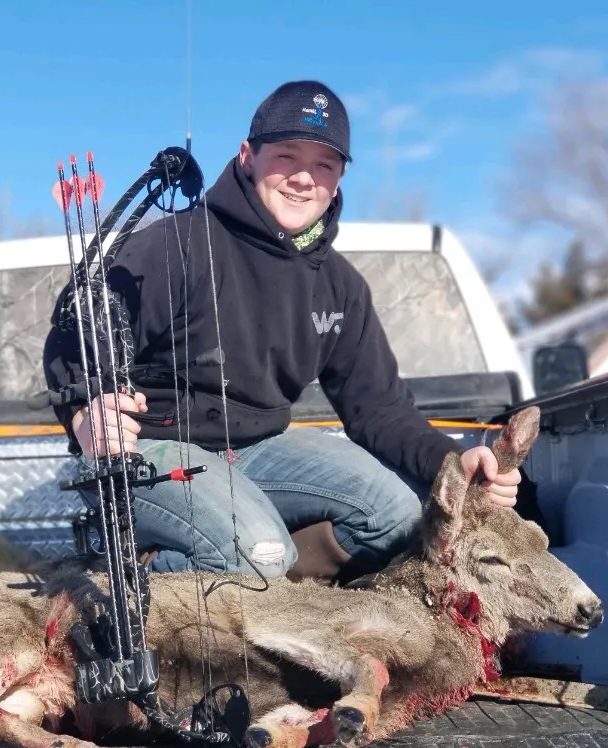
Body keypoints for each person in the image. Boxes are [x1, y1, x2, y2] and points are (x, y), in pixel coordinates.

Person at [42, 79, 519, 582]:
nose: (304, 178)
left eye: (324, 165)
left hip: (259, 449)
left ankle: (271, 580)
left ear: (339, 178)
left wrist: (455, 461)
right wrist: (85, 414)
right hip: (150, 449)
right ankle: (144, 571)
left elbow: (380, 410)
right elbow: (73, 334)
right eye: (287, 157)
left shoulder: (341, 287)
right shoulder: (173, 246)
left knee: (402, 518)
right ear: (248, 156)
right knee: (260, 552)